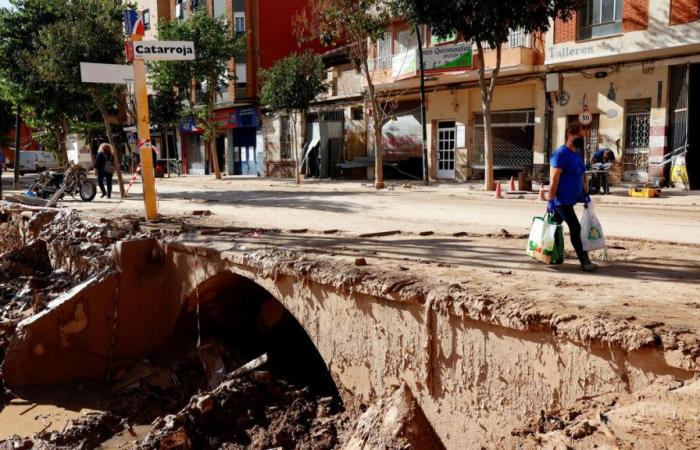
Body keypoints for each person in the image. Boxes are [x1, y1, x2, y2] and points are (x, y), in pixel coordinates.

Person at [547, 122, 598, 272]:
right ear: (570, 135)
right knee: (575, 228)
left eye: (584, 137)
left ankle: (543, 250)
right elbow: (554, 179)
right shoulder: (560, 154)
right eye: (580, 136)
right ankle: (584, 261)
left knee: (551, 225)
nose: (582, 139)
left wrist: (585, 194)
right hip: (561, 200)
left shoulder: (577, 155)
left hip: (571, 199)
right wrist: (551, 200)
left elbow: (581, 176)